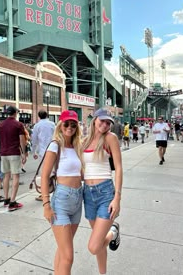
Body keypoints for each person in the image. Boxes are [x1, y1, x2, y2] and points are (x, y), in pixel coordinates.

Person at [41, 110, 84, 275]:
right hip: (61, 201)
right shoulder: (55, 145)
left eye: (73, 124)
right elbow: (44, 176)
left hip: (77, 201)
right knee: (68, 257)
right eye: (66, 124)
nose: (70, 127)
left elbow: (80, 174)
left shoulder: (77, 146)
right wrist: (46, 205)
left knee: (63, 249)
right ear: (60, 125)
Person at [82, 108, 123, 275]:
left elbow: (119, 168)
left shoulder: (110, 138)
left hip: (105, 193)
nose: (105, 125)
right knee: (98, 243)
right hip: (88, 194)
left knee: (94, 246)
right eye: (102, 121)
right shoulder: (85, 140)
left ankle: (113, 232)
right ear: (95, 119)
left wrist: (117, 198)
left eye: (108, 123)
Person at [0, 105, 27, 211]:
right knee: (16, 176)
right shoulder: (18, 124)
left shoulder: (0, 124)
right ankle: (12, 202)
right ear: (15, 113)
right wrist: (24, 153)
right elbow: (22, 140)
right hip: (14, 153)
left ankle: (6, 199)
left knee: (6, 176)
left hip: (3, 153)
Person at [31, 109, 55, 201]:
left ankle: (44, 194)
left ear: (39, 116)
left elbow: (34, 140)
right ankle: (54, 189)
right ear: (47, 115)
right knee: (54, 171)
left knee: (44, 173)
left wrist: (34, 152)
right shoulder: (52, 124)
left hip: (43, 152)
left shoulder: (37, 126)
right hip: (53, 149)